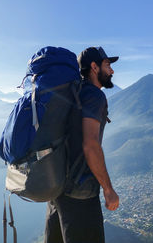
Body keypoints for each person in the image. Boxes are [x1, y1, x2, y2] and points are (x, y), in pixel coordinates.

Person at [44, 46, 120, 243]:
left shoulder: (72, 94)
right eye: (107, 65)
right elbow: (91, 145)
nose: (111, 71)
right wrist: (108, 189)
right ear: (94, 67)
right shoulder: (94, 96)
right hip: (81, 194)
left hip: (57, 190)